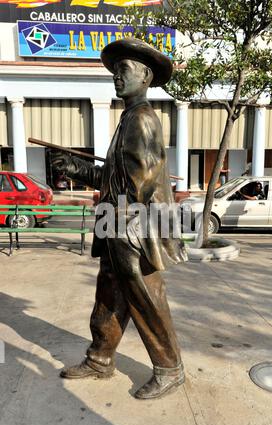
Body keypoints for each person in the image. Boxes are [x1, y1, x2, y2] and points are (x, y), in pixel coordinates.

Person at [51, 38, 188, 400]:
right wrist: (78, 168)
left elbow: (139, 184)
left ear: (145, 76)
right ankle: (100, 358)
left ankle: (170, 368)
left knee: (146, 298)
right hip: (117, 222)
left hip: (132, 226)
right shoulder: (128, 118)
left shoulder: (142, 120)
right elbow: (113, 177)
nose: (116, 77)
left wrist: (120, 219)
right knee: (109, 294)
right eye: (115, 71)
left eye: (123, 70)